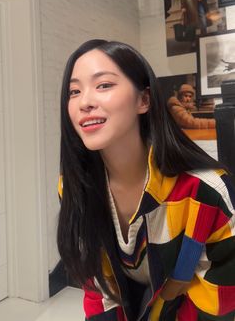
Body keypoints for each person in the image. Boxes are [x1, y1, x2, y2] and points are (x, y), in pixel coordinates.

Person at [57, 39, 235, 321]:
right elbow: (98, 290)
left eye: (103, 85)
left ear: (144, 100)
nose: (85, 102)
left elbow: (221, 299)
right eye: (74, 91)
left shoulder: (207, 191)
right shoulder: (73, 187)